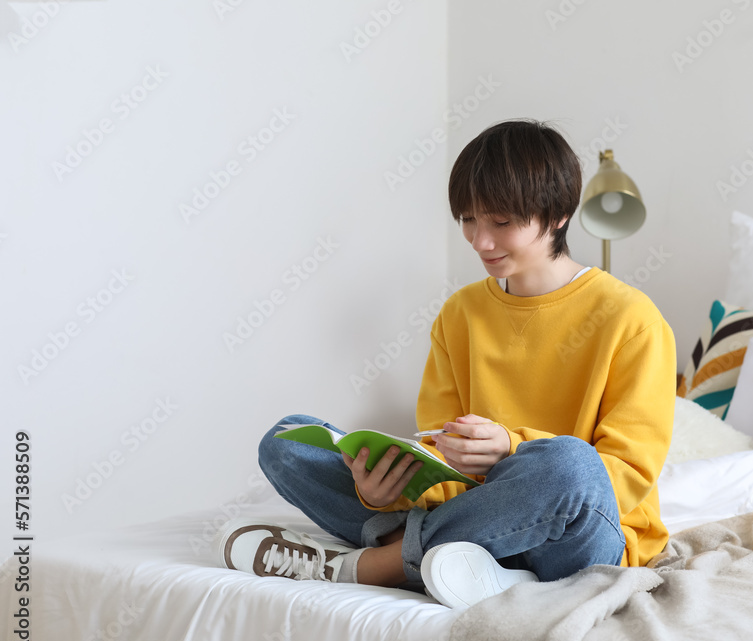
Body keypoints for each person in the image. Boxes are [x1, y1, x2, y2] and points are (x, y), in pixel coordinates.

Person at [216, 119, 677, 608]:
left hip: (579, 538)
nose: (481, 241)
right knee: (286, 441)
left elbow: (622, 478)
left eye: (501, 222)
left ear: (559, 213)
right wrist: (382, 491)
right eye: (469, 220)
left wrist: (510, 451)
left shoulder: (632, 319)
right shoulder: (461, 314)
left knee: (572, 467)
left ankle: (381, 563)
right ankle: (470, 561)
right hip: (473, 516)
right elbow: (437, 453)